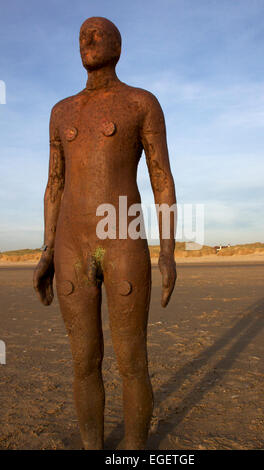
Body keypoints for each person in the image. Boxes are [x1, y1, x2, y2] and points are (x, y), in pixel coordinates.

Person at [33, 16, 177, 450]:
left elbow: (161, 179)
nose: (88, 40)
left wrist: (167, 249)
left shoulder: (140, 103)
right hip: (70, 244)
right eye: (82, 35)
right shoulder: (61, 112)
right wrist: (46, 251)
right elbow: (55, 183)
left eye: (98, 34)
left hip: (123, 239)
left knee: (132, 361)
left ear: (118, 45)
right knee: (83, 363)